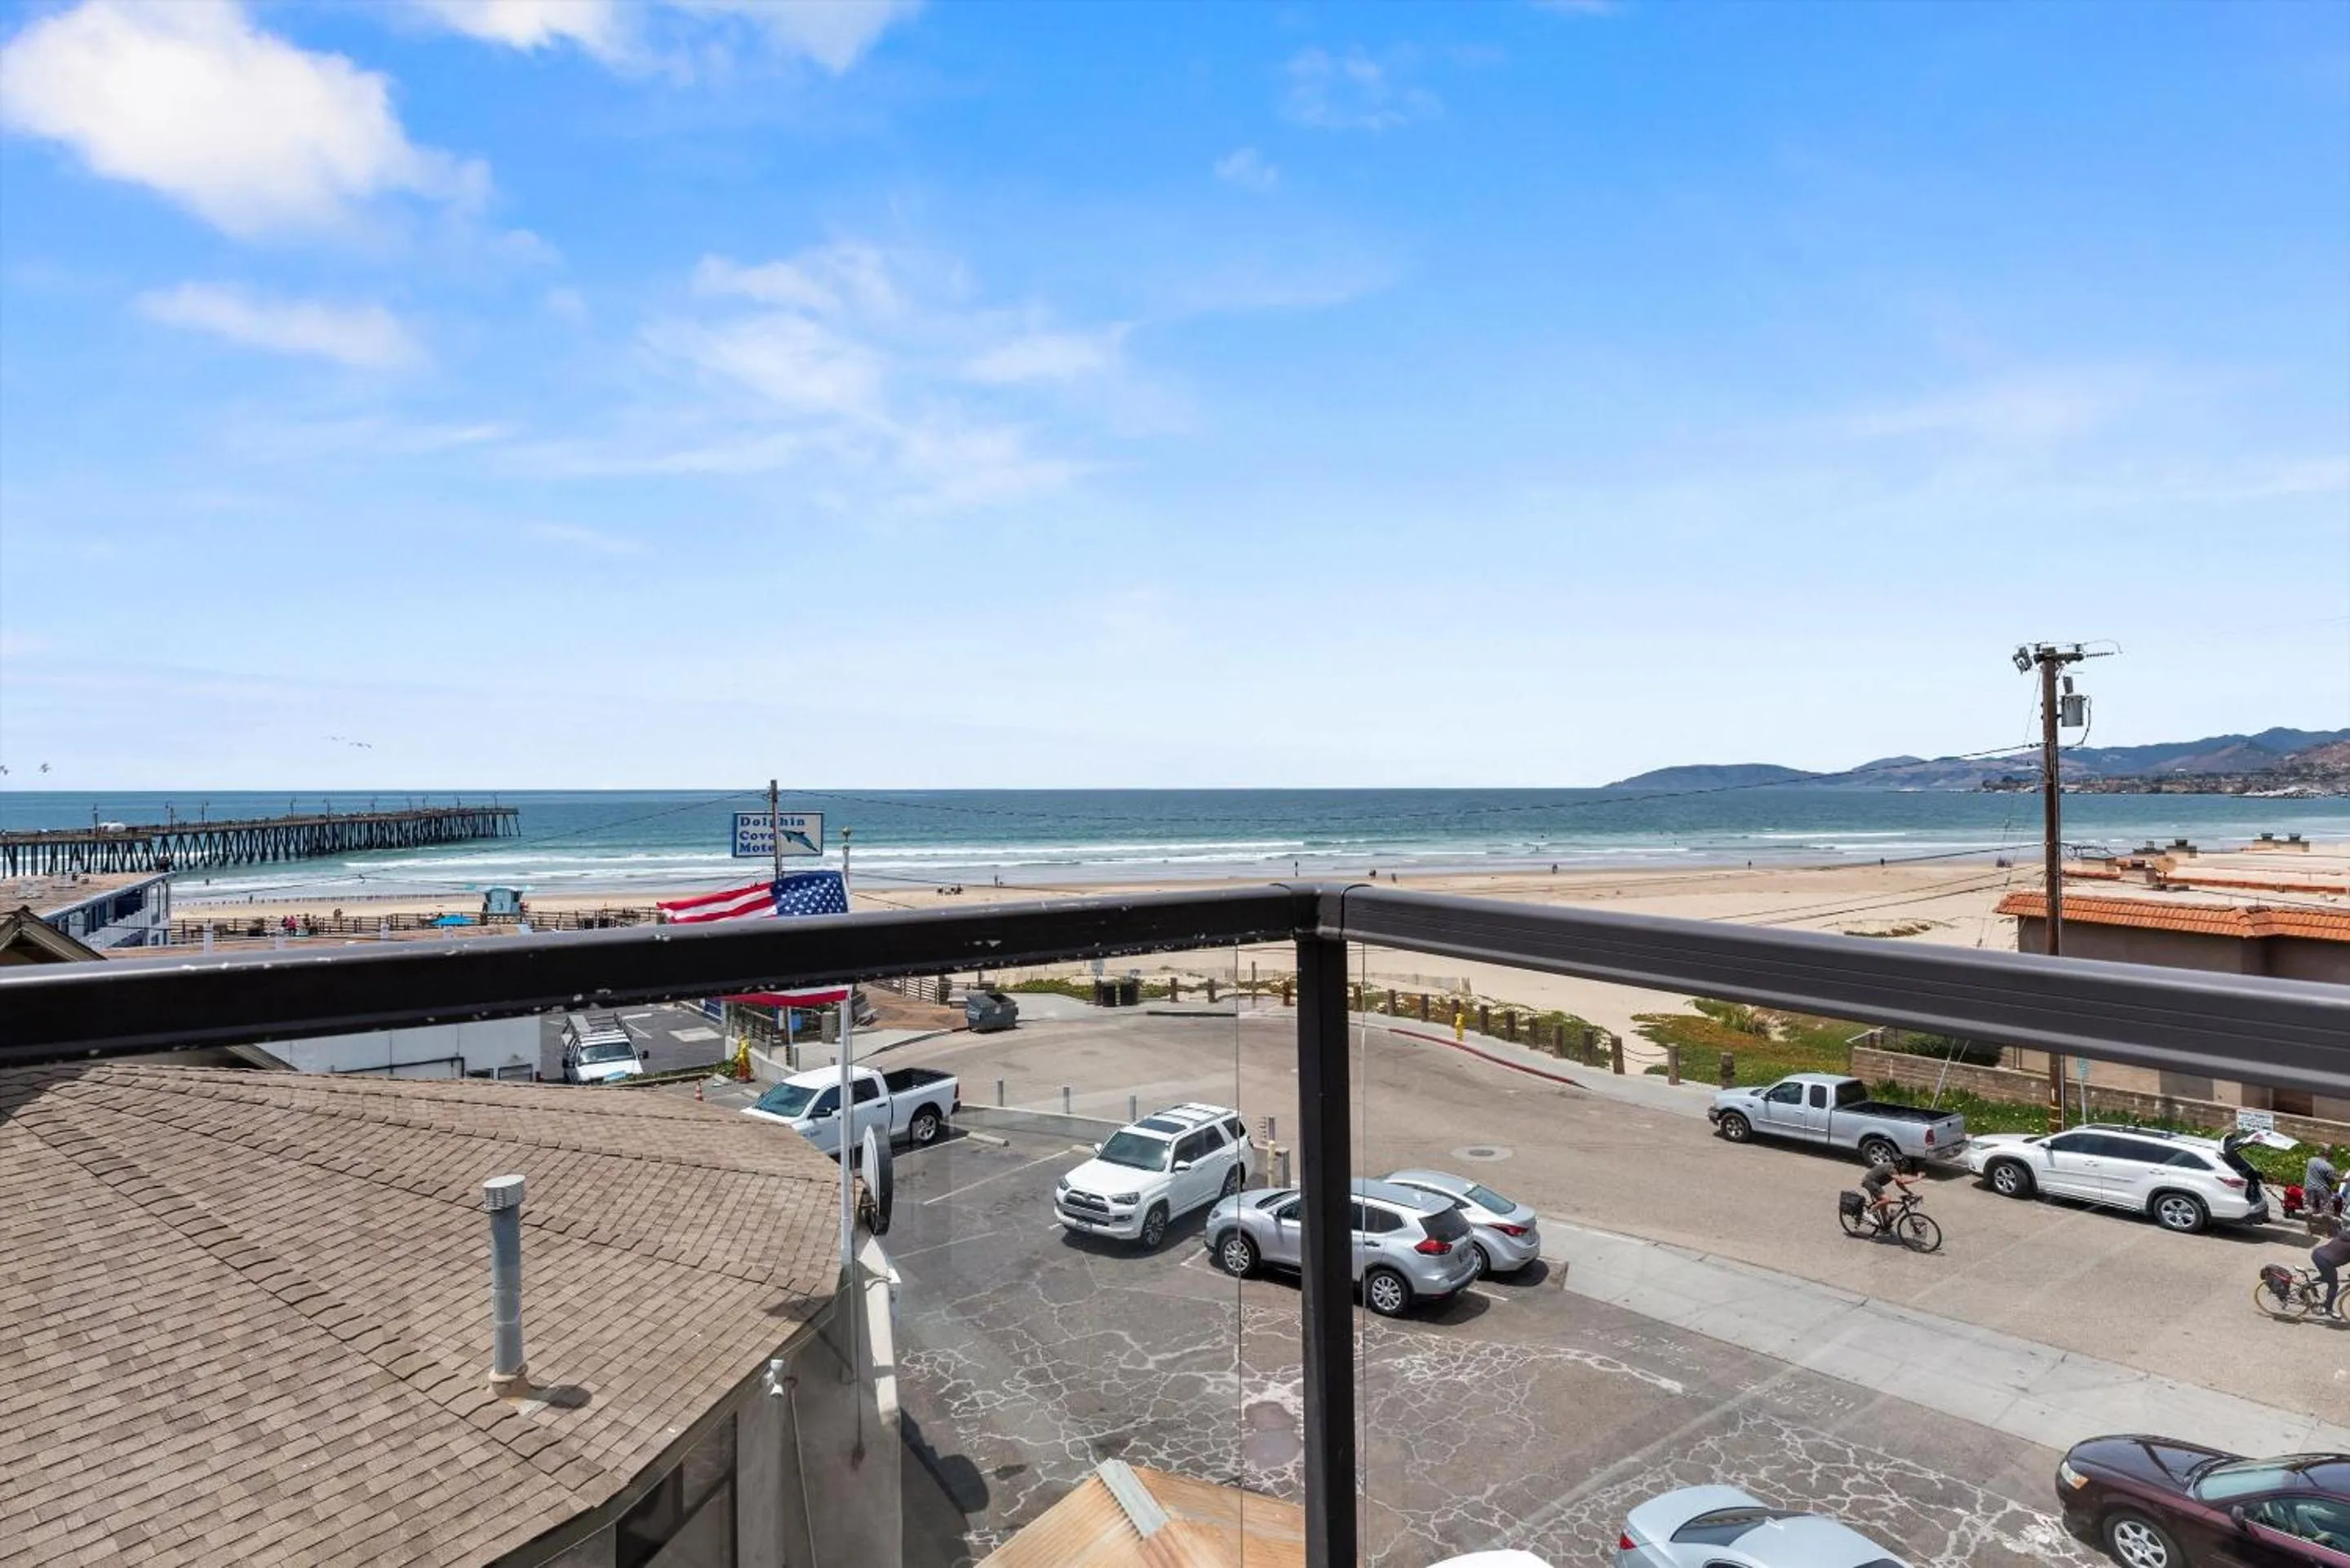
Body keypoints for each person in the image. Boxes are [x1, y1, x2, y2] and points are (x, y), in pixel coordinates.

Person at [1861, 1155, 1923, 1225]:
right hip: (1870, 1182)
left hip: (1876, 1184)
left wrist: (1909, 1193)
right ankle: (1868, 1213)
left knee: (1883, 1205)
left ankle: (1885, 1226)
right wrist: (1917, 1178)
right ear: (1900, 1165)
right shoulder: (1890, 1167)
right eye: (1905, 1167)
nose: (1905, 1170)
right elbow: (1902, 1181)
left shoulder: (1897, 1169)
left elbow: (1899, 1183)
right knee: (1886, 1199)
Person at [2314, 1229, 2350, 1319]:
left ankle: (2306, 1287)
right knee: (2334, 1285)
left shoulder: (2345, 1236)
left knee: (2328, 1276)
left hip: (2318, 1254)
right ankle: (2327, 1308)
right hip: (2326, 1261)